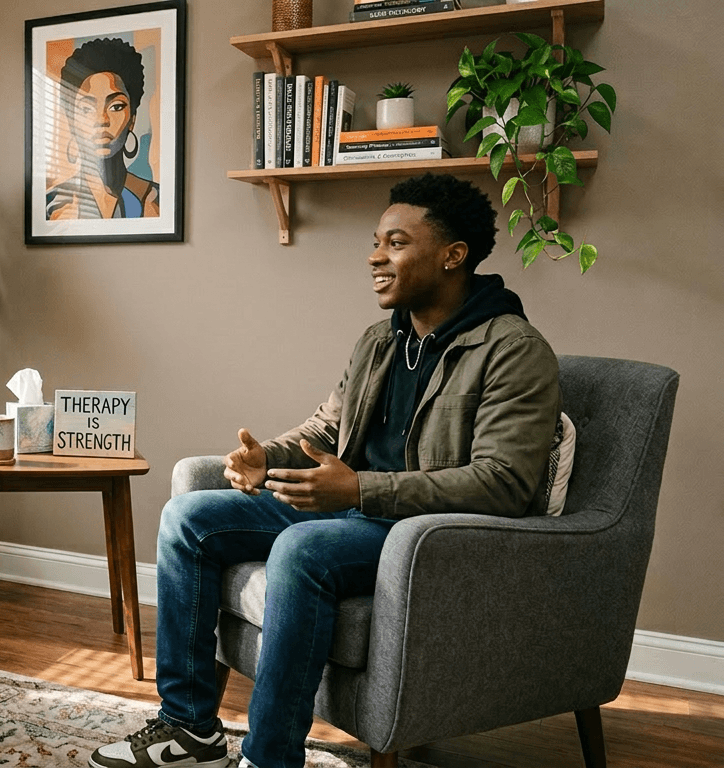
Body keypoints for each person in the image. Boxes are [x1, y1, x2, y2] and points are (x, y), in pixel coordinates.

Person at [90, 173, 562, 768]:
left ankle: (270, 758)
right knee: (189, 518)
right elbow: (327, 427)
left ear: (453, 256)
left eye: (395, 242)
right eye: (375, 241)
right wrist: (269, 456)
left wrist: (361, 487)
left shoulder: (512, 350)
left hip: (421, 531)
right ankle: (190, 732)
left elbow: (503, 484)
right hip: (353, 506)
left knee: (303, 550)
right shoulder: (380, 341)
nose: (374, 256)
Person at [46, 37, 160, 220]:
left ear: (132, 119)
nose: (101, 120)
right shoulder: (50, 206)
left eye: (116, 106)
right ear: (72, 121)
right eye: (86, 109)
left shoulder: (157, 201)